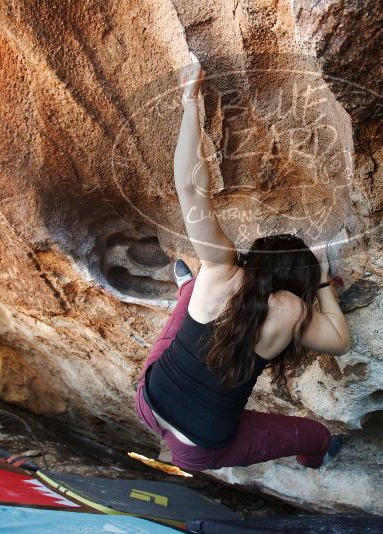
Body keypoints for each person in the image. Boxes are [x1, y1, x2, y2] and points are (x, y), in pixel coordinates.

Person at [133, 56, 351, 472]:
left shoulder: (223, 269)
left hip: (148, 399)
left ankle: (187, 290)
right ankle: (319, 455)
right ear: (299, 284)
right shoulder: (293, 310)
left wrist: (190, 101)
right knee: (315, 435)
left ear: (255, 257)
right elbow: (341, 340)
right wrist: (323, 284)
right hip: (197, 449)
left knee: (197, 293)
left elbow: (189, 187)